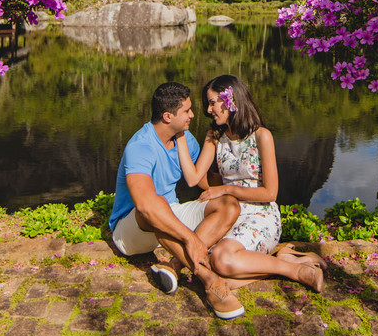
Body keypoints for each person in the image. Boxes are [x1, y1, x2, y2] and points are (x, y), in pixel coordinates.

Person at [108, 81, 246, 319]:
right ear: (168, 116)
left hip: (168, 215)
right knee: (155, 204)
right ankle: (209, 280)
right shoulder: (140, 146)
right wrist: (189, 237)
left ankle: (174, 264)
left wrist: (237, 186)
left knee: (228, 205)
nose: (193, 115)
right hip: (132, 230)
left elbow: (200, 179)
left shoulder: (184, 138)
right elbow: (144, 205)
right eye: (187, 111)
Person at [176, 74, 325, 292]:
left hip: (260, 215)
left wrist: (225, 188)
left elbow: (270, 193)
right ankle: (289, 260)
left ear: (231, 100)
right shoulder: (215, 136)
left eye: (212, 102)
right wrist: (180, 137)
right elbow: (197, 178)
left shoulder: (261, 136)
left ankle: (297, 271)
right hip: (229, 214)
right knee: (207, 264)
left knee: (221, 260)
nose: (209, 110)